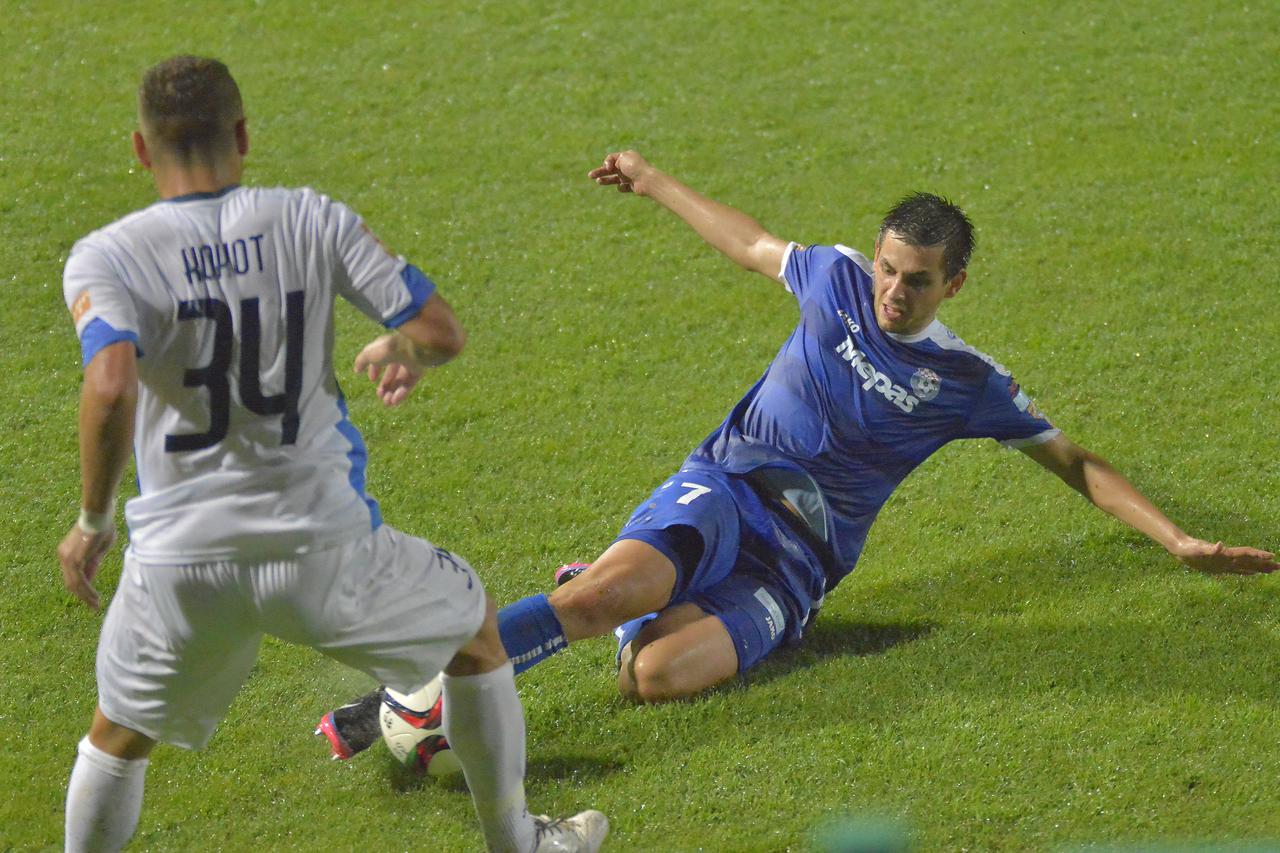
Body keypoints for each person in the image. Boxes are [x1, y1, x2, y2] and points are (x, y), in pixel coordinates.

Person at [317, 149, 1278, 756]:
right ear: (875, 256)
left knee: (651, 677)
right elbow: (752, 244)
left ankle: (636, 614)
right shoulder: (832, 280)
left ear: (957, 283)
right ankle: (421, 694)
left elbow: (1076, 462)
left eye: (918, 281)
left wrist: (1177, 539)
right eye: (888, 269)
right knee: (599, 596)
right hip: (726, 487)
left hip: (800, 563)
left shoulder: (966, 381)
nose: (895, 292)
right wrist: (651, 180)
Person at [58, 55, 607, 853]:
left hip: (182, 561)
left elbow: (110, 383)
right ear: (243, 136)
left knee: (117, 733)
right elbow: (440, 331)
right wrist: (403, 353)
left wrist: (92, 520)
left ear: (141, 150)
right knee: (475, 631)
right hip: (319, 546)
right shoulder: (311, 218)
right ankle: (517, 843)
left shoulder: (106, 255)